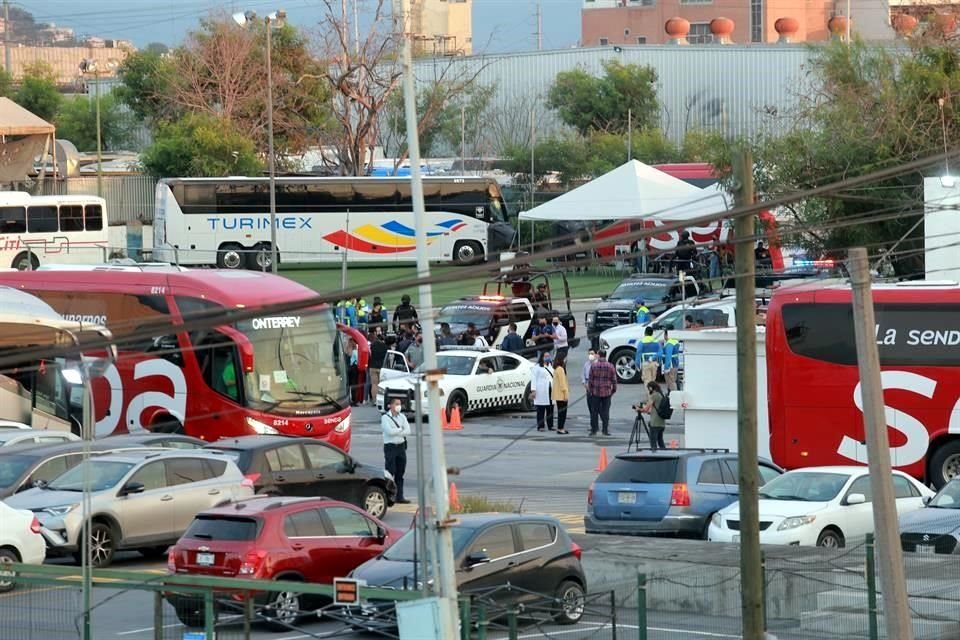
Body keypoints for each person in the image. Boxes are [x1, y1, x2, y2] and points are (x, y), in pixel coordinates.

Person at [380, 397, 411, 503]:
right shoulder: (385, 418)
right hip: (390, 447)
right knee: (390, 472)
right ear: (391, 405)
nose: (399, 406)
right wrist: (400, 430)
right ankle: (387, 496)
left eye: (400, 404)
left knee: (400, 473)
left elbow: (408, 431)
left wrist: (398, 431)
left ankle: (399, 496)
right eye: (397, 404)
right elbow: (389, 432)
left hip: (401, 447)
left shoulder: (402, 417)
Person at [587, 350, 617, 436]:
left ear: (599, 355)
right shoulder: (610, 366)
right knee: (605, 411)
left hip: (596, 392)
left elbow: (590, 380)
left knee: (594, 412)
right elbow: (614, 380)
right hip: (607, 393)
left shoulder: (594, 366)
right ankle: (605, 429)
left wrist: (590, 390)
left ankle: (594, 429)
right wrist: (613, 389)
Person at [639, 381, 667, 449]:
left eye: (648, 388)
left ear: (651, 388)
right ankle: (664, 454)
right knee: (660, 441)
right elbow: (653, 410)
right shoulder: (661, 395)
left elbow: (646, 408)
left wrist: (639, 409)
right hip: (662, 423)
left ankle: (654, 454)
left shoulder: (654, 395)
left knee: (653, 442)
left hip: (654, 423)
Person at [530, 352, 554, 432]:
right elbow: (533, 379)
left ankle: (550, 425)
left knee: (550, 409)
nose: (547, 357)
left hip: (550, 390)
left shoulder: (550, 366)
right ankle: (541, 426)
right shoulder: (537, 367)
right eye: (546, 356)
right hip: (541, 391)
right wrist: (533, 390)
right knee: (541, 409)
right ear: (542, 357)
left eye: (548, 356)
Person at [368, 331, 387, 405]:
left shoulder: (372, 346)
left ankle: (374, 400)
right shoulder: (385, 346)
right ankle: (381, 400)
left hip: (373, 367)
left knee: (374, 384)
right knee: (381, 384)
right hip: (381, 367)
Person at [552, 354, 570, 434]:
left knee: (560, 412)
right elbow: (563, 384)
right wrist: (566, 394)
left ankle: (560, 427)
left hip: (557, 395)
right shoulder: (561, 370)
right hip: (562, 395)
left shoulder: (556, 369)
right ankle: (561, 428)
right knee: (563, 413)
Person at [582, 349, 597, 423]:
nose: (591, 355)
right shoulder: (586, 364)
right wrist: (585, 384)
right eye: (589, 354)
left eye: (592, 353)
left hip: (596, 387)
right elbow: (583, 375)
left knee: (596, 406)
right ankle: (592, 423)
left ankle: (596, 422)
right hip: (588, 386)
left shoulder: (598, 364)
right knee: (590, 405)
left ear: (596, 355)